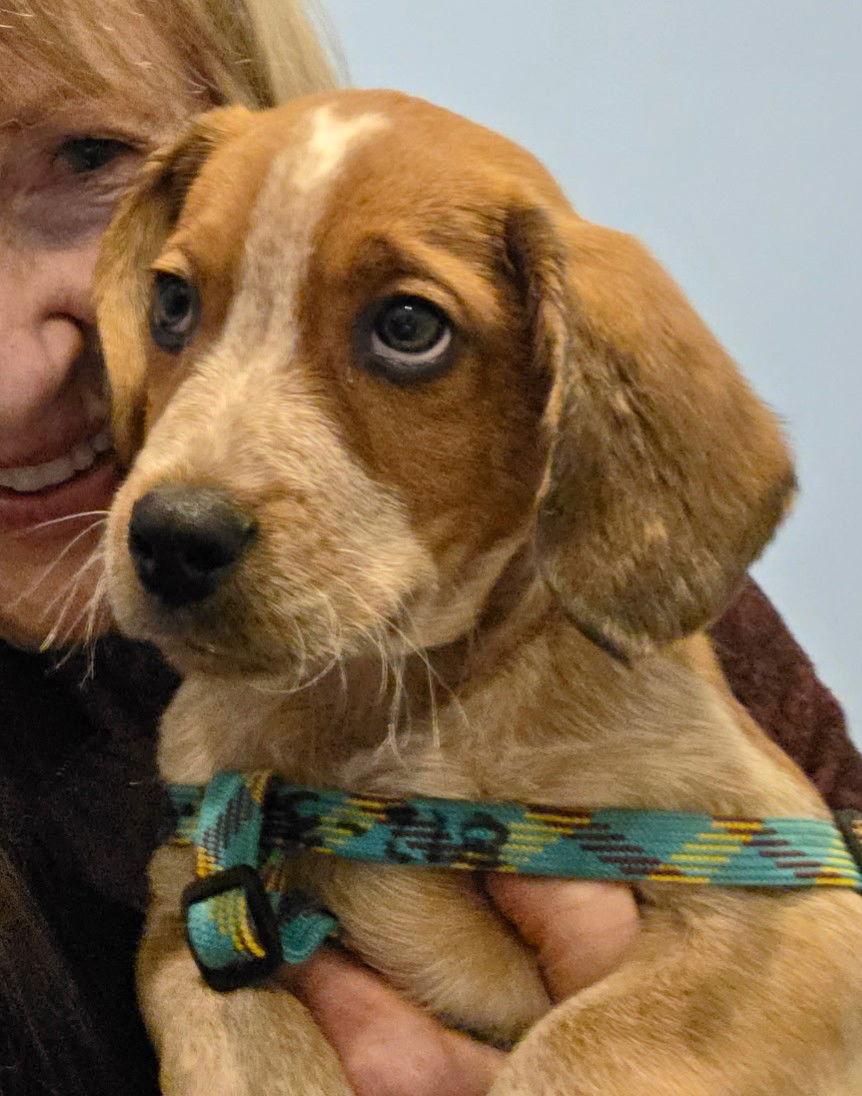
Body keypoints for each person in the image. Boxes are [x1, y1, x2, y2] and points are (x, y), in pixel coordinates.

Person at [0, 2, 858, 1093]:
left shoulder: (629, 594)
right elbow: (209, 917)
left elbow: (814, 935)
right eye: (180, 305)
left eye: (406, 328)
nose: (192, 478)